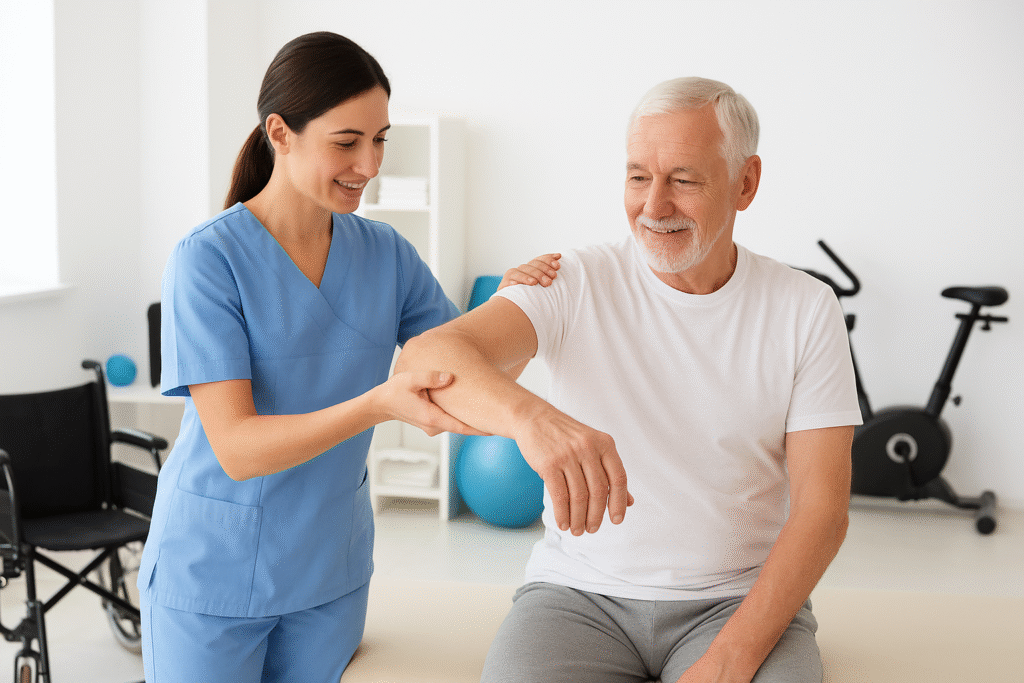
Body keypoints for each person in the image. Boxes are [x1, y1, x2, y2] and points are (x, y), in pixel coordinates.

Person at [396, 76, 862, 682]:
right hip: (578, 599)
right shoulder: (571, 281)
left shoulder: (805, 307)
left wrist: (730, 661)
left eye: (684, 180)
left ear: (744, 183)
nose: (654, 206)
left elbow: (823, 510)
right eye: (638, 177)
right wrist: (532, 419)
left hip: (733, 602)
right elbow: (427, 360)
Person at [137, 31, 557, 682]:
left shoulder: (385, 253)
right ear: (280, 132)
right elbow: (238, 447)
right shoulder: (208, 261)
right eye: (347, 142)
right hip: (211, 574)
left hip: (329, 572)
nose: (369, 162)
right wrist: (378, 404)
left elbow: (461, 376)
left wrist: (514, 311)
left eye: (380, 138)